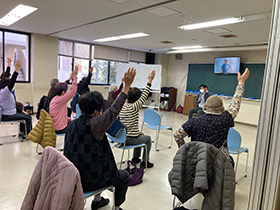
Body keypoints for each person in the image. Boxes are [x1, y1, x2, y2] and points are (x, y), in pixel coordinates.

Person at [63, 68, 136, 210]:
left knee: (96, 160)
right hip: (89, 180)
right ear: (96, 111)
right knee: (124, 176)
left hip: (73, 176)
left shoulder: (72, 124)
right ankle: (117, 207)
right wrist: (126, 86)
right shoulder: (95, 124)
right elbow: (114, 110)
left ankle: (98, 200)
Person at [174, 68, 250, 165]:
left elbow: (177, 135)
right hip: (219, 161)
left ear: (205, 108)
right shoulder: (225, 118)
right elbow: (235, 102)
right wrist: (241, 83)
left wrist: (185, 151)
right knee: (231, 161)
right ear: (221, 109)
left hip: (198, 159)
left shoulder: (194, 121)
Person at [119, 70, 155, 168]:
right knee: (147, 139)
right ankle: (145, 162)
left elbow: (121, 94)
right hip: (129, 139)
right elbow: (145, 94)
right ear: (137, 99)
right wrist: (150, 81)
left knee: (139, 135)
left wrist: (124, 84)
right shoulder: (135, 106)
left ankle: (135, 158)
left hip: (121, 137)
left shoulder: (122, 105)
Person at [0, 59, 32, 138]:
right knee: (28, 117)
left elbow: (13, 104)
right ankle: (28, 135)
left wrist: (21, 110)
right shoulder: (5, 92)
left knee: (24, 115)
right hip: (8, 115)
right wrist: (16, 69)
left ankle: (22, 132)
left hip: (8, 113)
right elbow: (12, 81)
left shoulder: (3, 91)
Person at [49, 66, 78, 134]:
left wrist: (69, 119)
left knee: (74, 123)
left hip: (54, 126)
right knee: (77, 128)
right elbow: (73, 90)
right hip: (59, 128)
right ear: (63, 92)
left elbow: (59, 115)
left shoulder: (55, 99)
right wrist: (75, 78)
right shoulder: (61, 99)